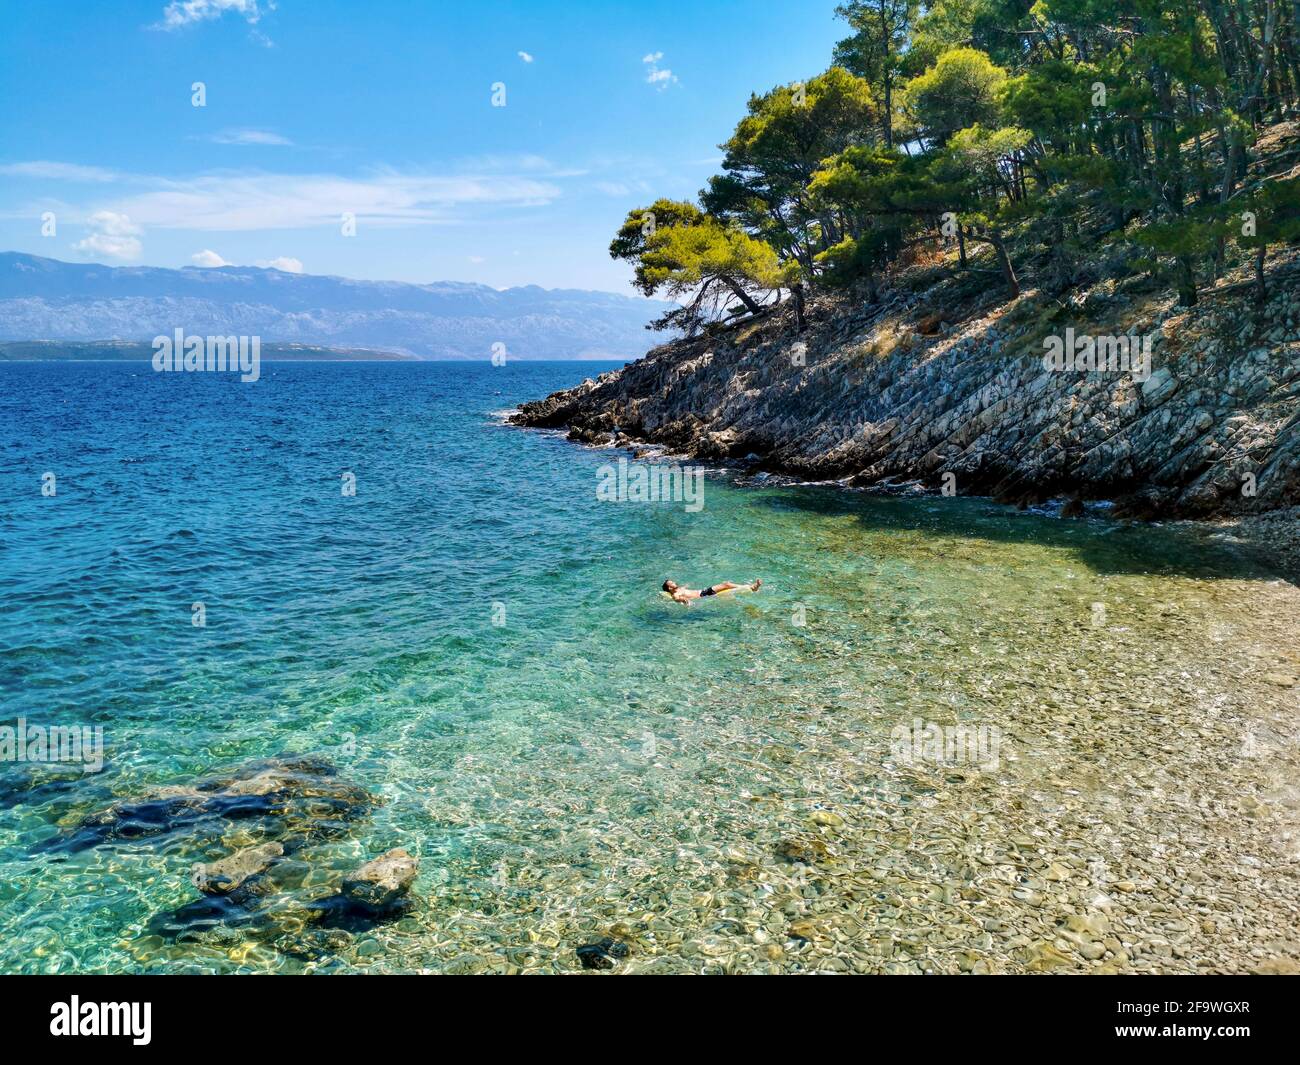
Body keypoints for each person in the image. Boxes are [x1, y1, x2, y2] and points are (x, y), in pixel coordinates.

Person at [662, 578, 761, 604]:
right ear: (670, 588)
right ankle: (752, 587)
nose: (674, 582)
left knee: (727, 584)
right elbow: (679, 599)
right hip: (704, 595)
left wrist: (687, 585)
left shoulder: (679, 589)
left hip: (704, 591)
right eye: (672, 583)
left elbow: (684, 589)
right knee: (726, 585)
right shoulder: (676, 595)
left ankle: (751, 587)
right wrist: (684, 600)